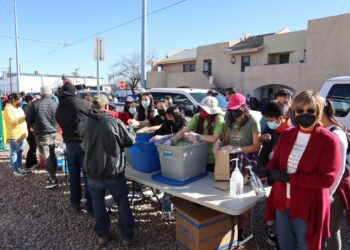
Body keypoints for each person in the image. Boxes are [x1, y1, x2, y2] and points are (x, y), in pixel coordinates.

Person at [256, 90, 341, 250]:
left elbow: (327, 179)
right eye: (300, 110)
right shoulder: (287, 135)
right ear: (294, 111)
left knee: (307, 245)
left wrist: (288, 178)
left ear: (318, 112)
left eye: (310, 111)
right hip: (283, 203)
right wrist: (264, 171)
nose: (304, 114)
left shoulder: (328, 140)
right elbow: (275, 161)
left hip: (308, 205)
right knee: (285, 245)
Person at [78, 94, 136, 247]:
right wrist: (130, 129)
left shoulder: (83, 123)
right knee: (122, 203)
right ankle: (127, 236)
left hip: (93, 172)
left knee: (98, 204)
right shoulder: (114, 123)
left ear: (93, 106)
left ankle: (102, 234)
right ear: (106, 106)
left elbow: (84, 141)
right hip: (113, 172)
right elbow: (130, 140)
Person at [223, 93, 261, 241]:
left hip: (246, 159)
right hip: (231, 158)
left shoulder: (252, 121)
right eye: (231, 109)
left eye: (236, 109)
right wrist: (220, 146)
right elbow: (226, 141)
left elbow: (256, 146)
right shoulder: (228, 120)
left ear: (244, 107)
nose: (234, 112)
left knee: (242, 194)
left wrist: (238, 149)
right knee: (227, 191)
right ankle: (228, 224)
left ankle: (242, 228)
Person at [55, 84, 93, 214]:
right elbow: (93, 116)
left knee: (74, 175)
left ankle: (75, 203)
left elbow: (58, 121)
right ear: (74, 92)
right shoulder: (82, 103)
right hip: (84, 143)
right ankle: (90, 204)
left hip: (70, 144)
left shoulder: (59, 107)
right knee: (88, 175)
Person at [164, 96, 224, 172]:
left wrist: (198, 137)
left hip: (213, 157)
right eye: (201, 109)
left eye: (205, 111)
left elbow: (214, 138)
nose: (202, 112)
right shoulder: (197, 117)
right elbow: (183, 131)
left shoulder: (219, 120)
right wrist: (172, 140)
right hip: (197, 155)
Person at [321, 99, 350, 250]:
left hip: (335, 188)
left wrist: (329, 194)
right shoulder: (324, 130)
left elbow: (338, 170)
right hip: (326, 186)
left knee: (332, 229)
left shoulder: (336, 133)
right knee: (323, 229)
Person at [26, 86, 59, 189]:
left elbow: (28, 118)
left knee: (47, 156)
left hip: (41, 133)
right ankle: (53, 174)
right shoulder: (55, 104)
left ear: (41, 93)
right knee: (52, 153)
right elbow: (59, 117)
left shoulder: (36, 104)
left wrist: (33, 125)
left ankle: (53, 179)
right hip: (53, 132)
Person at [4, 93, 28, 176]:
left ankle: (20, 168)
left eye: (21, 100)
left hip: (22, 134)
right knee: (14, 152)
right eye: (18, 100)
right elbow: (12, 122)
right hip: (14, 135)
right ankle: (15, 170)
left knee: (20, 152)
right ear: (13, 100)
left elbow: (23, 122)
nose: (20, 101)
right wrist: (24, 118)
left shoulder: (19, 108)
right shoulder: (8, 108)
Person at [23, 95, 38, 169]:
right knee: (32, 146)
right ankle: (28, 164)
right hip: (29, 130)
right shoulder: (26, 107)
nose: (34, 101)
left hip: (31, 129)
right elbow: (27, 119)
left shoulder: (29, 107)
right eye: (33, 100)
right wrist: (32, 126)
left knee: (34, 147)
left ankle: (34, 162)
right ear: (29, 100)